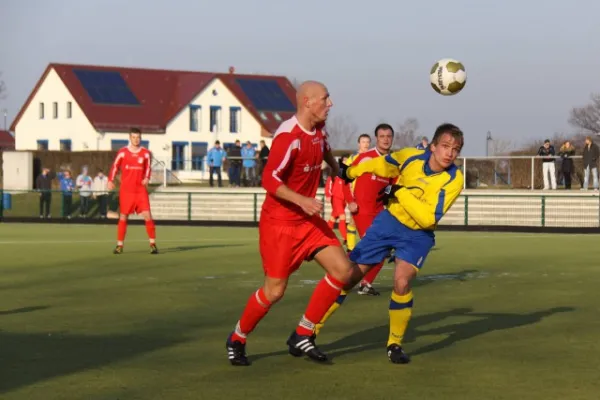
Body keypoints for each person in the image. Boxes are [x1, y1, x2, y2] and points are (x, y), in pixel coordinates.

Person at [225, 81, 360, 366]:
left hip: (307, 221)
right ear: (308, 102)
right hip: (280, 224)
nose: (331, 103)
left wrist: (337, 170)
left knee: (344, 271)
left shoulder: (319, 130)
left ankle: (303, 333)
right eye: (326, 98)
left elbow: (323, 147)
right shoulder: (288, 137)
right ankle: (237, 338)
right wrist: (302, 200)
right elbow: (269, 179)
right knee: (274, 291)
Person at [317, 123, 465, 364]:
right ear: (434, 146)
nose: (450, 153)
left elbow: (428, 217)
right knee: (348, 277)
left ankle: (394, 344)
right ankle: (311, 329)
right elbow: (381, 164)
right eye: (445, 146)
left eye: (455, 149)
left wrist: (399, 191)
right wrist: (350, 172)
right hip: (389, 222)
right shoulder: (410, 156)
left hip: (419, 234)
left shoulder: (454, 180)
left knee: (402, 281)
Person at [348, 123, 394, 296]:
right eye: (382, 136)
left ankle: (365, 283)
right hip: (362, 210)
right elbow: (343, 178)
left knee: (384, 248)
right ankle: (340, 271)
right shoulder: (365, 157)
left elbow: (392, 186)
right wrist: (349, 201)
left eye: (388, 136)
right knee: (374, 245)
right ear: (377, 138)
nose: (385, 139)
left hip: (379, 212)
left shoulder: (393, 163)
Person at [107, 127, 158, 254]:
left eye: (138, 137)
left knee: (147, 215)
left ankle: (152, 244)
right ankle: (119, 245)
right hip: (126, 190)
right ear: (130, 138)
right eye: (133, 137)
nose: (136, 140)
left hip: (140, 190)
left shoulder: (145, 153)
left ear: (141, 138)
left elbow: (148, 168)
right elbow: (115, 166)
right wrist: (110, 180)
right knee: (123, 216)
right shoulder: (123, 152)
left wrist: (147, 178)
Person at [344, 133, 371, 253]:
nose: (365, 144)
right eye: (363, 142)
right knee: (353, 222)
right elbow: (343, 176)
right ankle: (350, 248)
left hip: (370, 195)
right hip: (355, 195)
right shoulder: (352, 159)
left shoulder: (373, 158)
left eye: (367, 142)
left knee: (372, 222)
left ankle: (372, 247)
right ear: (359, 144)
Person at [324, 155, 357, 243]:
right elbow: (329, 182)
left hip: (344, 200)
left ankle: (324, 234)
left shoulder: (348, 173)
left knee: (332, 218)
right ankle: (345, 238)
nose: (346, 162)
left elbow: (349, 187)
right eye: (344, 161)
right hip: (336, 198)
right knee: (343, 217)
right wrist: (328, 194)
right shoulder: (336, 171)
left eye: (347, 161)